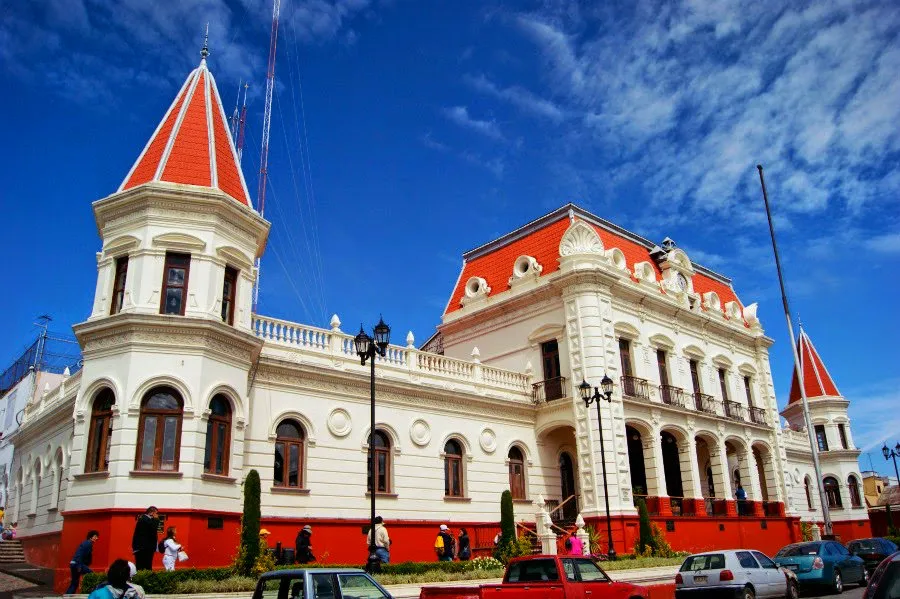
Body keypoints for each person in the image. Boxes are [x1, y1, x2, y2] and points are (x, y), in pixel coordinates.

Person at [66, 530, 99, 594]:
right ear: (90, 537)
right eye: (95, 536)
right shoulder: (88, 544)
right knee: (92, 574)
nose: (97, 538)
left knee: (74, 582)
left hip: (74, 563)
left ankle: (68, 596)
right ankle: (90, 591)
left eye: (97, 537)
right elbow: (80, 554)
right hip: (77, 564)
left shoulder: (87, 543)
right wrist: (79, 566)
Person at [131, 506, 159, 571]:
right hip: (144, 548)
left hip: (144, 547)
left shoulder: (144, 519)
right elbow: (153, 529)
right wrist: (156, 519)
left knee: (144, 565)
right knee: (145, 566)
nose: (157, 515)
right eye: (156, 513)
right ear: (152, 512)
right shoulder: (145, 519)